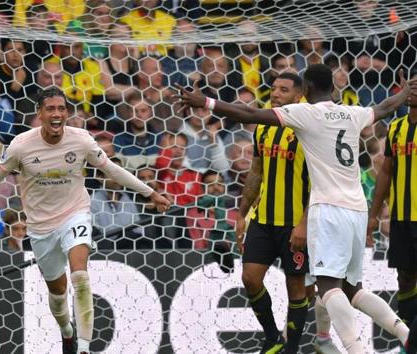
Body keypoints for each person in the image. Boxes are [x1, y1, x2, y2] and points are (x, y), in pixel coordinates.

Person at [176, 64, 417, 354]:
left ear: (307, 90)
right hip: (357, 209)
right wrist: (405, 92)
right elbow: (385, 106)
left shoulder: (306, 114)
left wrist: (207, 102)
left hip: (328, 210)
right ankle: (406, 334)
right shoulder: (353, 113)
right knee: (353, 288)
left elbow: (250, 114)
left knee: (328, 288)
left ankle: (356, 350)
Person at [0, 87, 170, 354]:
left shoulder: (81, 140)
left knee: (80, 275)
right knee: (58, 294)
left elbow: (112, 169)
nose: (57, 114)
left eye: (62, 109)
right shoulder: (21, 145)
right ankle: (67, 332)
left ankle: (83, 348)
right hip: (40, 226)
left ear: (67, 113)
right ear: (40, 113)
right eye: (51, 109)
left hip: (75, 213)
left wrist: (150, 192)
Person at [234, 72, 340, 354]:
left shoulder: (308, 130)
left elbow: (320, 182)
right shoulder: (263, 127)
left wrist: (304, 224)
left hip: (297, 223)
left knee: (297, 288)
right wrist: (241, 213)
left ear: (299, 94)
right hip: (263, 220)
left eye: (283, 89)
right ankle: (272, 338)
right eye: (273, 88)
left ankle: (291, 348)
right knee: (250, 278)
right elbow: (256, 172)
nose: (276, 94)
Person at [368, 69, 417, 349]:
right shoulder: (397, 128)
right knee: (406, 276)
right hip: (401, 216)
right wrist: (373, 214)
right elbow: (386, 172)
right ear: (401, 87)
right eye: (411, 84)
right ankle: (407, 340)